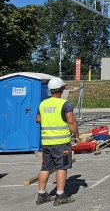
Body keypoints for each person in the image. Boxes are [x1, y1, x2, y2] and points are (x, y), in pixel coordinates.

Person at [35, 77, 80, 206]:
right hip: (61, 142)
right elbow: (71, 121)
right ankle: (60, 195)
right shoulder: (65, 104)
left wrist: (50, 120)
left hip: (47, 142)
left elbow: (38, 119)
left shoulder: (43, 103)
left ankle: (41, 194)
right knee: (62, 167)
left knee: (45, 167)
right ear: (62, 88)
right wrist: (76, 136)